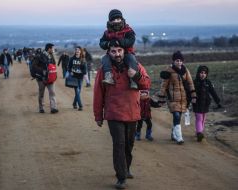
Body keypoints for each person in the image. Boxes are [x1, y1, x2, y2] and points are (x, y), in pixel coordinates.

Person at [93, 40, 151, 189]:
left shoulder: (135, 66)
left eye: (119, 50)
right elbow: (98, 94)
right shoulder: (104, 71)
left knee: (129, 144)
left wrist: (136, 75)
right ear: (109, 52)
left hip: (132, 112)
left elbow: (146, 84)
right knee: (119, 144)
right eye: (113, 51)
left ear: (124, 51)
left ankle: (126, 168)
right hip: (113, 113)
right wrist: (98, 115)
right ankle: (121, 177)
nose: (117, 54)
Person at [158, 51, 196, 145]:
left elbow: (190, 83)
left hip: (183, 98)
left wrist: (193, 95)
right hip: (172, 98)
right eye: (177, 60)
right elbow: (164, 86)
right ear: (173, 61)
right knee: (176, 115)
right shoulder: (169, 71)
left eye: (180, 61)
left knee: (178, 117)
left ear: (182, 61)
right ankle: (179, 137)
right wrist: (161, 98)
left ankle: (174, 133)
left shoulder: (185, 70)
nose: (179, 62)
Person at [99, 9, 138, 89]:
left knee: (132, 59)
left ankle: (133, 80)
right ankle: (109, 77)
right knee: (104, 59)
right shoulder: (107, 33)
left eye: (118, 19)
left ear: (122, 19)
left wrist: (119, 41)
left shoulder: (128, 30)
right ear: (110, 21)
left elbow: (131, 41)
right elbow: (101, 43)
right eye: (113, 20)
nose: (116, 21)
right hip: (112, 54)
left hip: (127, 53)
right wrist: (108, 43)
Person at [193, 65, 222, 142]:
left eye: (205, 73)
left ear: (206, 74)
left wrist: (218, 102)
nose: (203, 74)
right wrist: (187, 103)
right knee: (199, 118)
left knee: (203, 118)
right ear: (198, 73)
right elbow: (190, 93)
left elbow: (213, 92)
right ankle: (199, 133)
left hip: (205, 103)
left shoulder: (208, 82)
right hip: (197, 103)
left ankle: (199, 132)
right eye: (201, 73)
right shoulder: (195, 82)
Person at [31, 43, 58, 114]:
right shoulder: (39, 56)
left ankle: (53, 108)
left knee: (52, 92)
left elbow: (54, 65)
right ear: (49, 49)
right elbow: (34, 66)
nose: (53, 49)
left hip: (50, 78)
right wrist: (42, 71)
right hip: (41, 78)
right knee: (41, 93)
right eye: (52, 48)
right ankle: (41, 108)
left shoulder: (51, 56)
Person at [68, 46, 86, 111]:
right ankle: (80, 105)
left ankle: (74, 103)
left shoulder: (83, 59)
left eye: (78, 50)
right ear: (75, 51)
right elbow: (69, 67)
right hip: (74, 77)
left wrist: (82, 73)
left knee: (79, 91)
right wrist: (70, 72)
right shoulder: (72, 59)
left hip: (80, 77)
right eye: (76, 50)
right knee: (77, 91)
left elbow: (85, 69)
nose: (77, 51)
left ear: (80, 51)